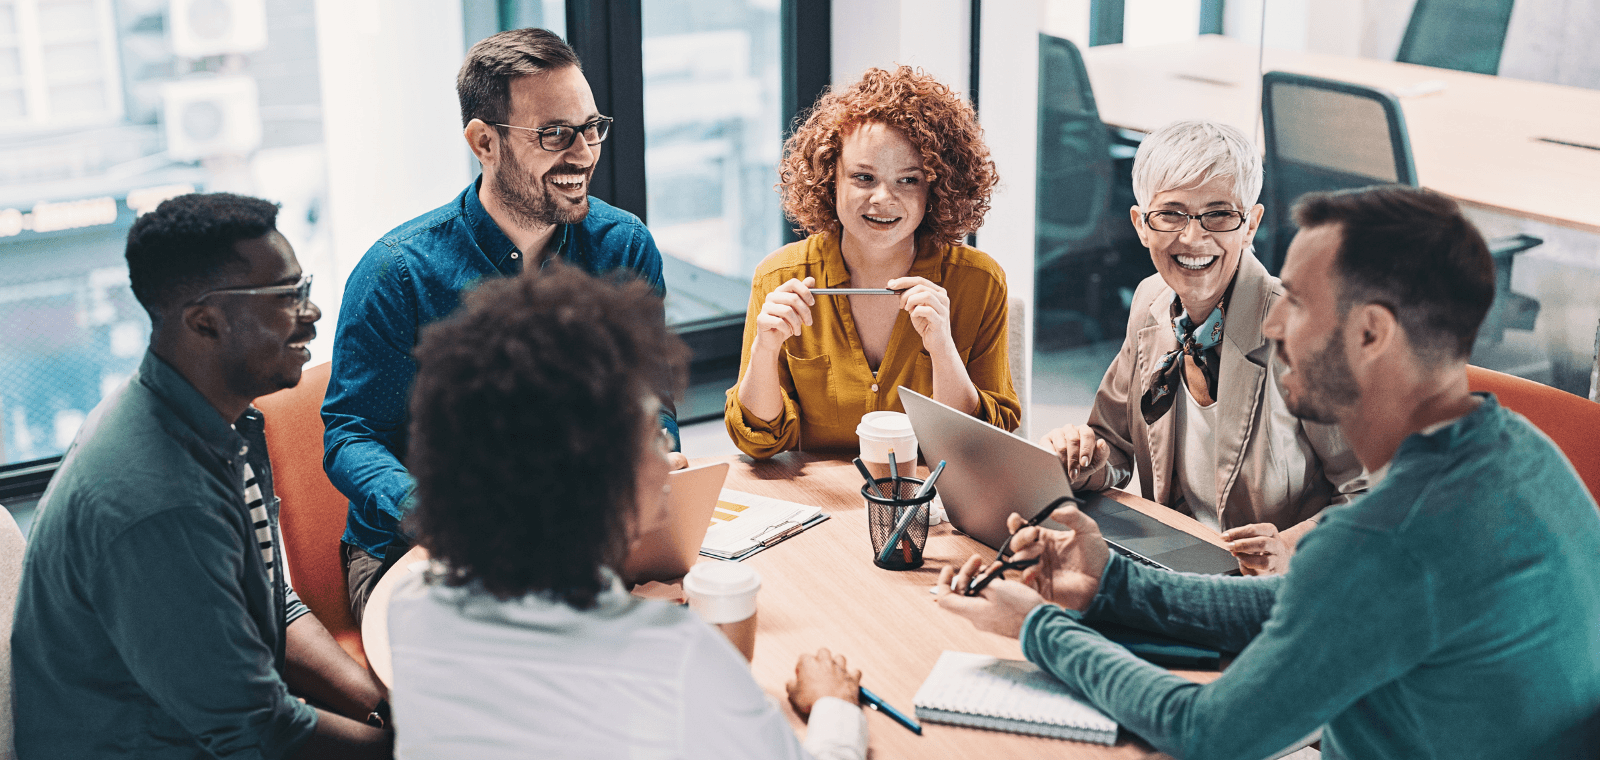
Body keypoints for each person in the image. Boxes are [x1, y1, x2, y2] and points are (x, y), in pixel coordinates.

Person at [936, 185, 1600, 759]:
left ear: (1371, 334)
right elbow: (1305, 601)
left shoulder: (1387, 538)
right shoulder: (1521, 452)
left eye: (1299, 302)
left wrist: (1038, 628)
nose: (1273, 322)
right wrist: (1110, 585)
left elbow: (1206, 732)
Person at [387, 263, 869, 759]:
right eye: (651, 436)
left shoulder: (411, 612)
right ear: (592, 477)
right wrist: (834, 706)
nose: (670, 458)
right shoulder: (680, 660)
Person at [11, 193, 392, 759]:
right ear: (204, 321)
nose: (312, 313)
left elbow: (267, 601)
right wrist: (415, 747)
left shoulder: (220, 419)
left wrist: (381, 704)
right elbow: (257, 731)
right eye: (288, 297)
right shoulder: (158, 500)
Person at [323, 28, 682, 626]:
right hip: (417, 549)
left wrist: (656, 453)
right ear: (483, 141)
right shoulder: (398, 272)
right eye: (555, 134)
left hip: (578, 530)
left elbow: (652, 400)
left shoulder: (623, 246)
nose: (585, 153)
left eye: (592, 128)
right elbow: (350, 434)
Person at [1037, 120, 1366, 574]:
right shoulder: (1151, 302)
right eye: (1171, 213)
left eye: (1219, 214)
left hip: (1273, 590)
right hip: (1172, 564)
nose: (1193, 238)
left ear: (1250, 224)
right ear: (1141, 225)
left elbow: (1375, 493)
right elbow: (1113, 446)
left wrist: (1292, 549)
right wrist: (1077, 457)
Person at [725, 66, 1020, 458]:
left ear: (937, 186)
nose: (883, 198)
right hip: (822, 505)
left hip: (931, 506)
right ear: (830, 178)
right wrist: (765, 348)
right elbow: (758, 440)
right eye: (863, 178)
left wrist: (942, 348)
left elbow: (984, 446)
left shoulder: (979, 282)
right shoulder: (779, 277)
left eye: (908, 180)